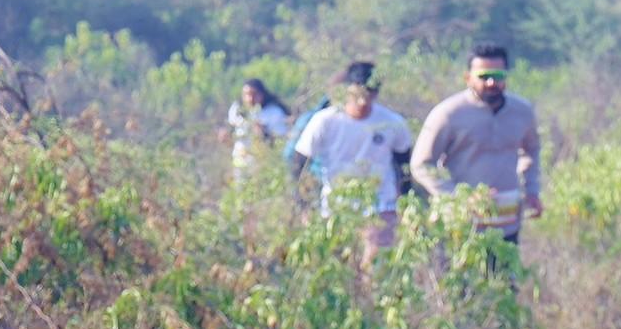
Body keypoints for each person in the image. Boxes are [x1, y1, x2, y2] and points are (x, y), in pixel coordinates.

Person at [410, 43, 543, 243]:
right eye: (483, 76)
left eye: (498, 76)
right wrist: (457, 197)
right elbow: (421, 164)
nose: (491, 82)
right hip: (461, 225)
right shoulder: (448, 113)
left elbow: (531, 149)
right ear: (468, 78)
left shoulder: (522, 111)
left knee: (505, 265)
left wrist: (531, 190)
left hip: (507, 224)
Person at [285, 61, 417, 259]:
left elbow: (404, 167)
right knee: (336, 262)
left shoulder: (392, 123)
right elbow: (298, 164)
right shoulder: (325, 120)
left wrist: (407, 205)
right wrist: (303, 205)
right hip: (336, 207)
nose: (363, 102)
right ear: (347, 90)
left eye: (369, 94)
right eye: (358, 94)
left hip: (380, 204)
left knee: (374, 264)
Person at [223, 77, 292, 182]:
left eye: (254, 95)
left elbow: (281, 142)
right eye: (246, 94)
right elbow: (233, 133)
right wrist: (226, 136)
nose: (250, 99)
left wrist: (263, 133)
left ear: (262, 94)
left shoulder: (274, 113)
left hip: (265, 165)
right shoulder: (237, 110)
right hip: (241, 162)